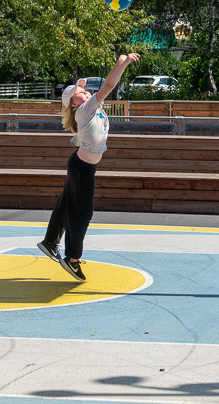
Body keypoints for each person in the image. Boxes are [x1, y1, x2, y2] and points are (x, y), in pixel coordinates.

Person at [38, 52, 140, 281]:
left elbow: (107, 86)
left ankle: (50, 241)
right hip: (82, 168)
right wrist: (123, 62)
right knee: (82, 214)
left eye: (85, 90)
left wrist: (119, 61)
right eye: (80, 93)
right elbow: (110, 84)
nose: (85, 92)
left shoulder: (90, 108)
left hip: (81, 165)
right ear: (73, 104)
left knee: (66, 204)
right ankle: (72, 259)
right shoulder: (84, 110)